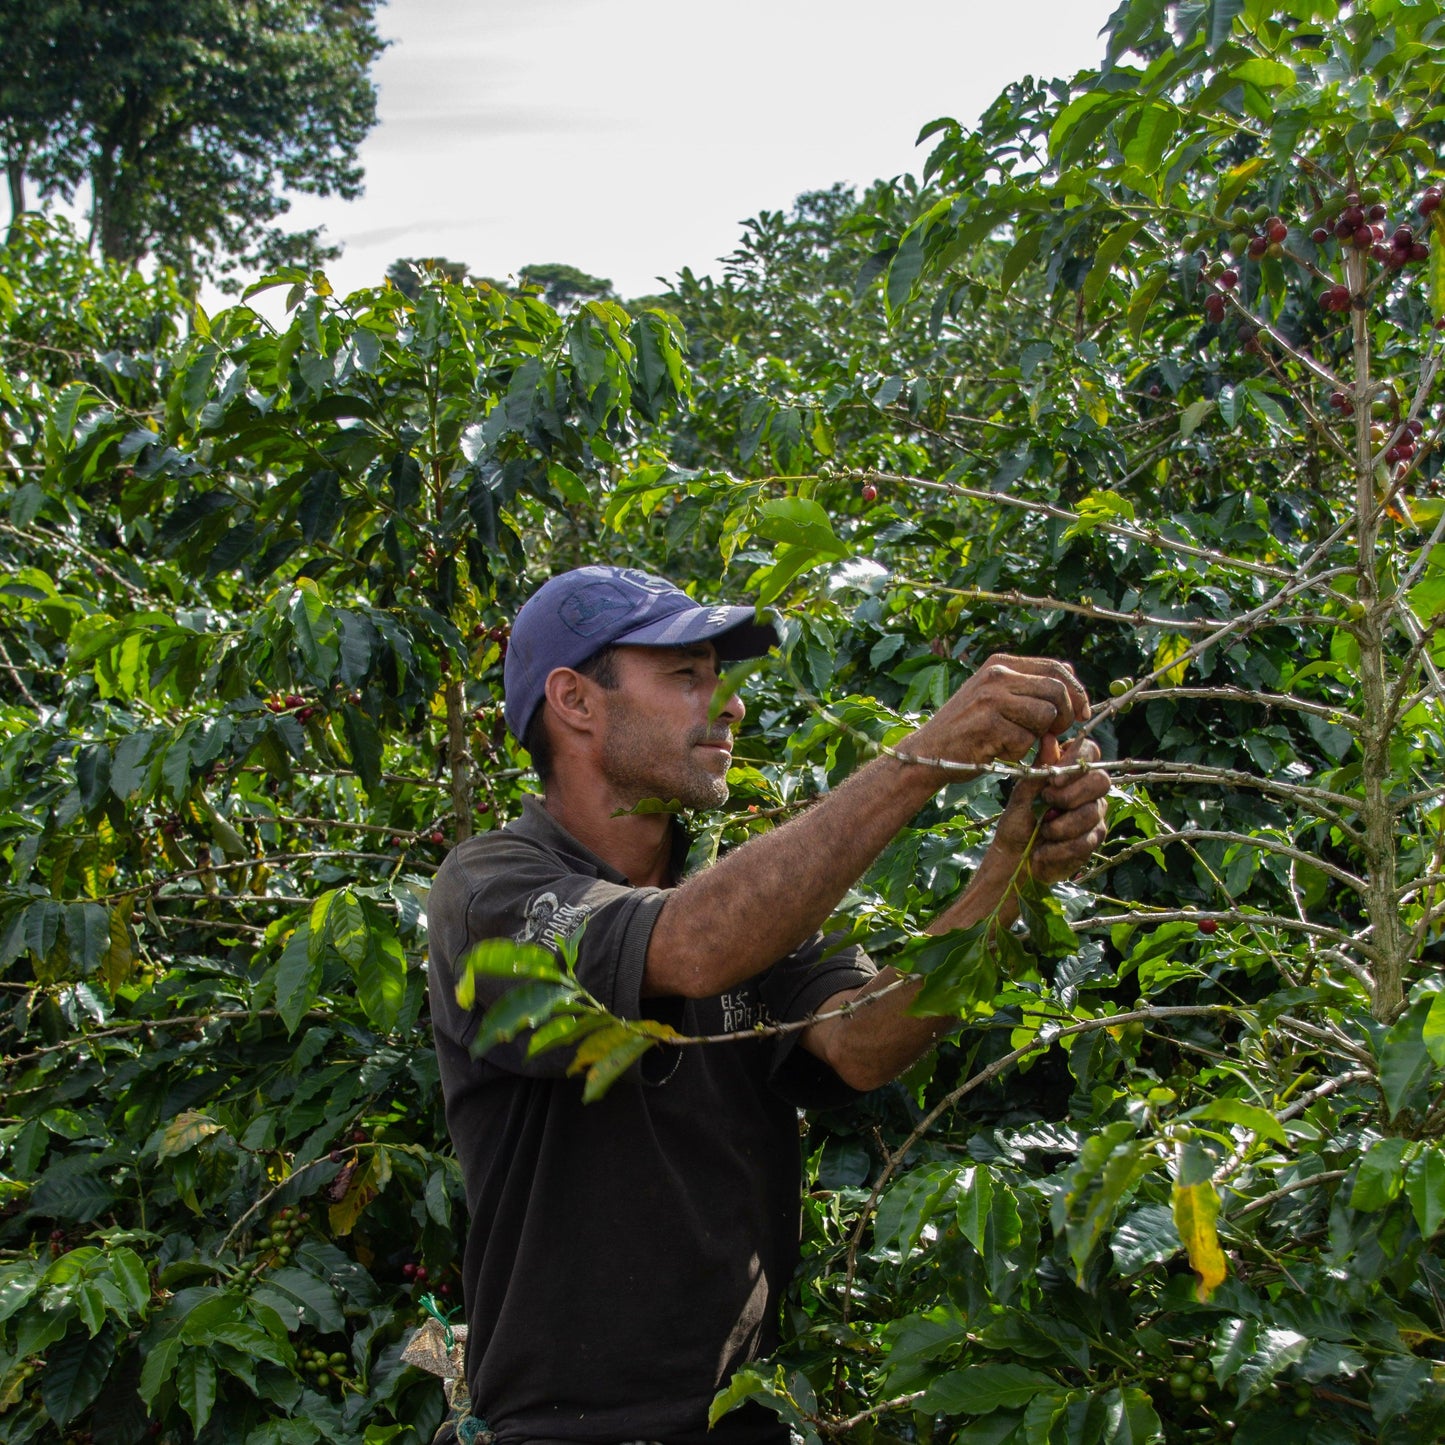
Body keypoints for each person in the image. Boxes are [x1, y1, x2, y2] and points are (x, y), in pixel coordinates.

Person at [427, 565, 1109, 1445]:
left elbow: (864, 1041)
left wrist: (1006, 877)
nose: (730, 705)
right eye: (686, 674)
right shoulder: (492, 890)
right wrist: (919, 761)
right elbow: (694, 945)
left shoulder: (754, 902)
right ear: (575, 700)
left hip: (738, 1421)